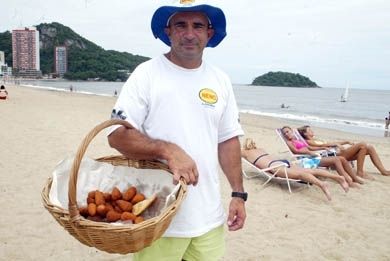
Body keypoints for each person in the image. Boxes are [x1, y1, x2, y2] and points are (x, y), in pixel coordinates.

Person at [107, 1, 246, 260]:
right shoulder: (146, 74)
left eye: (198, 26)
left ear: (209, 33)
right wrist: (167, 149)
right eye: (181, 25)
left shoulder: (220, 80)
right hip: (157, 218)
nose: (190, 33)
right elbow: (116, 135)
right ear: (168, 31)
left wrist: (238, 194)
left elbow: (227, 140)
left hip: (209, 219)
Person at [242, 138, 349, 201]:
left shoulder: (245, 152)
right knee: (310, 171)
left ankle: (321, 184)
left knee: (300, 175)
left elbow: (233, 153)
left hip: (274, 167)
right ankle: (338, 177)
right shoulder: (261, 149)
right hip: (281, 162)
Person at [280, 126, 364, 186]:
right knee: (337, 160)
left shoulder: (297, 140)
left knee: (341, 158)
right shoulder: (289, 142)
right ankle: (349, 181)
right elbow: (296, 151)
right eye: (285, 133)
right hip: (306, 160)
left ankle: (354, 178)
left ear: (291, 131)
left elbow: (309, 147)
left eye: (288, 131)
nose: (287, 134)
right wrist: (309, 152)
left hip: (313, 156)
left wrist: (322, 147)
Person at [298, 125, 390, 178]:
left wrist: (345, 142)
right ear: (305, 133)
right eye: (309, 130)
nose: (312, 131)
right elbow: (322, 146)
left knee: (369, 148)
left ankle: (383, 171)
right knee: (362, 144)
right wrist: (334, 145)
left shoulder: (316, 138)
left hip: (339, 153)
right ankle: (360, 172)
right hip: (334, 156)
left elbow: (330, 143)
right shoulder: (308, 141)